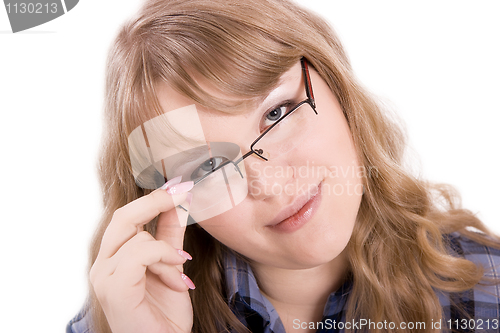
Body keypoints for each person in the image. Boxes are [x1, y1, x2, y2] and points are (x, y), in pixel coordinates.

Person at [67, 0, 500, 332]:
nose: (270, 182)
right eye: (207, 167)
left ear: (336, 85)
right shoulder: (122, 319)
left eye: (277, 113)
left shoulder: (486, 288)